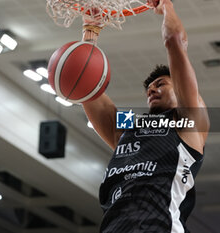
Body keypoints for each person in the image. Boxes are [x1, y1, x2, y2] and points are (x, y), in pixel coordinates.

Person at [81, 0, 210, 232]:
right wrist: (91, 30)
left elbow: (174, 42)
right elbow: (86, 88)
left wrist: (166, 6)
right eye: (149, 88)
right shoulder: (131, 127)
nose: (151, 89)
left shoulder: (189, 121)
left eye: (160, 83)